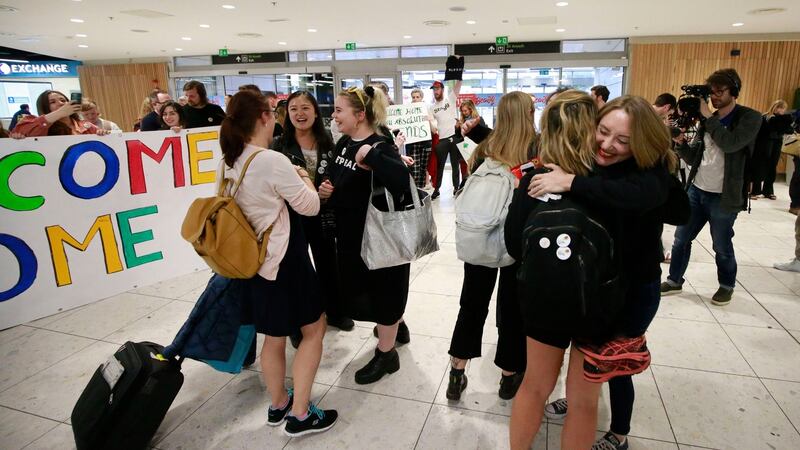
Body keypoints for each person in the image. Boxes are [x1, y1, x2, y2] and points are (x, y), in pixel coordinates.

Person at [530, 95, 677, 450]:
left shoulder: (650, 173)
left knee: (615, 363)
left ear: (640, 142)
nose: (608, 145)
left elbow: (659, 203)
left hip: (634, 289)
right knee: (585, 355)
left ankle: (620, 432)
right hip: (596, 285)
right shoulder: (595, 165)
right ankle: (579, 395)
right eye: (603, 131)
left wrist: (574, 184)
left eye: (622, 140)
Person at [219, 90, 337, 436]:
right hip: (286, 261)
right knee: (314, 330)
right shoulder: (272, 161)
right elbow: (310, 206)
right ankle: (300, 414)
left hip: (252, 262)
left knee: (273, 335)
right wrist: (302, 177)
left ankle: (278, 402)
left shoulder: (229, 160)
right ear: (264, 118)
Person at [505, 90, 603, 450]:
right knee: (583, 401)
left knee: (534, 385)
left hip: (544, 296)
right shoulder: (608, 182)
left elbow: (514, 243)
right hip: (597, 302)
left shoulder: (534, 177)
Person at [446, 91, 533, 402]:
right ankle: (509, 377)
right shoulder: (536, 150)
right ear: (530, 112)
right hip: (516, 242)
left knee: (472, 302)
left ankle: (457, 371)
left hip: (481, 235)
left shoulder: (487, 148)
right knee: (511, 309)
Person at [326, 86, 412, 385]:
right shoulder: (344, 143)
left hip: (382, 239)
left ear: (359, 114)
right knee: (370, 293)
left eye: (339, 110)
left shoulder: (380, 144)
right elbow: (335, 178)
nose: (334, 116)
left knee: (385, 294)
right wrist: (328, 189)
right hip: (352, 236)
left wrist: (373, 158)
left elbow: (402, 181)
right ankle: (396, 326)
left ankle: (387, 353)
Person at [661, 68, 762, 306]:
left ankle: (726, 286)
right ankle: (674, 280)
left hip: (725, 195)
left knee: (721, 245)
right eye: (712, 92)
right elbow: (696, 154)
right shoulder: (710, 121)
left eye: (720, 91)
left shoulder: (750, 117)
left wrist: (708, 116)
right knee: (680, 238)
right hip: (697, 189)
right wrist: (680, 143)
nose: (715, 97)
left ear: (733, 92)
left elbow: (730, 144)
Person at [271, 90, 354, 332]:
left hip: (323, 213)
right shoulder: (279, 145)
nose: (300, 113)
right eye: (294, 108)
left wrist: (332, 188)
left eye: (305, 107)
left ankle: (336, 312)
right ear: (287, 113)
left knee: (329, 264)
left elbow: (338, 173)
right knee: (296, 268)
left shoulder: (329, 141)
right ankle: (298, 322)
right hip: (291, 216)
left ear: (316, 112)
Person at [750, 100, 794, 200]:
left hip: (776, 144)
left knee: (772, 167)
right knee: (760, 166)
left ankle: (768, 191)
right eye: (780, 107)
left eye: (783, 108)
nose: (781, 110)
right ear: (775, 107)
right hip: (764, 144)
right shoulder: (766, 117)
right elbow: (769, 129)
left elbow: (789, 130)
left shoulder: (782, 119)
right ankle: (755, 191)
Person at [13, 90, 106, 137]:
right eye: (52, 102)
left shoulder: (86, 126)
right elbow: (20, 132)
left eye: (63, 100)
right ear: (45, 107)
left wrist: (103, 134)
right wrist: (59, 113)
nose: (61, 103)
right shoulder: (40, 127)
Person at [431, 79, 463, 199]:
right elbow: (432, 124)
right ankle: (437, 189)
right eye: (434, 89)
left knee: (455, 164)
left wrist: (458, 76)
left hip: (454, 137)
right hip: (442, 139)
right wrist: (431, 125)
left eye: (438, 89)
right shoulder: (432, 108)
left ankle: (456, 188)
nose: (436, 91)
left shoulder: (450, 99)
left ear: (442, 90)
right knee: (440, 166)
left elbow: (458, 86)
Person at [405, 87, 437, 188]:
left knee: (423, 168)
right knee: (414, 168)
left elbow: (434, 130)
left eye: (417, 97)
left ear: (421, 98)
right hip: (412, 143)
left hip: (425, 142)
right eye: (413, 97)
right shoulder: (407, 110)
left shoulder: (427, 110)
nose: (415, 99)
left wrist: (428, 120)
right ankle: (413, 190)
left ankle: (420, 191)